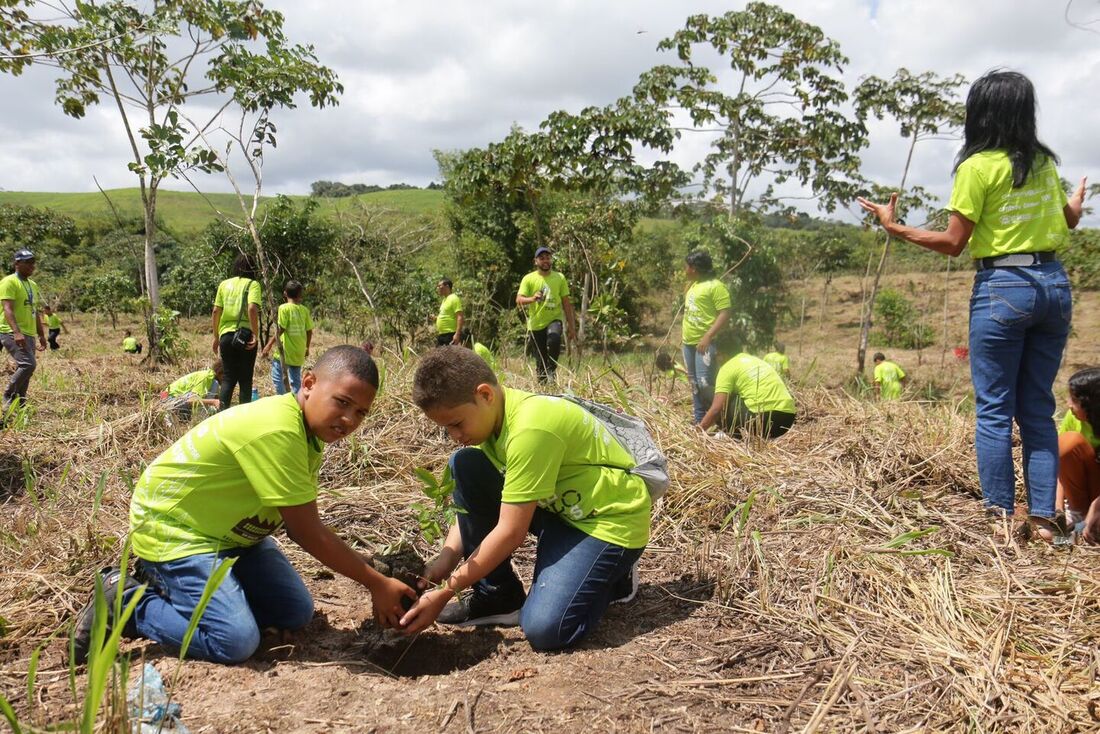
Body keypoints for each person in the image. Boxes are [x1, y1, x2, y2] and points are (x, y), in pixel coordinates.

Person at [71, 346, 416, 665]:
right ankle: (128, 604)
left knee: (295, 612)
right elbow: (305, 532)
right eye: (341, 402)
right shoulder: (278, 431)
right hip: (175, 529)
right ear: (308, 382)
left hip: (233, 534)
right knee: (235, 641)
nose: (349, 420)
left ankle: (196, 592)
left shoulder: (308, 431)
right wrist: (375, 582)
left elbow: (306, 519)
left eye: (360, 412)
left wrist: (368, 567)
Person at [858, 70, 1086, 538]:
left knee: (995, 409)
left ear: (980, 113)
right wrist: (1077, 208)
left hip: (1003, 285)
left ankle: (1000, 517)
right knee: (1038, 409)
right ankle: (1044, 520)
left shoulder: (977, 167)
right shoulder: (1043, 164)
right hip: (1053, 285)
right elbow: (1066, 220)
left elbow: (953, 242)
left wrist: (894, 227)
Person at [400, 347, 650, 651]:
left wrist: (446, 591)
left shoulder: (530, 428)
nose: (454, 434)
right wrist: (447, 557)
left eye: (456, 423)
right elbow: (473, 501)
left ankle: (614, 574)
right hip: (561, 510)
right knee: (465, 464)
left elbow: (510, 531)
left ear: (485, 395)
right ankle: (497, 597)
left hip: (605, 523)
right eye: (446, 428)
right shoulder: (492, 419)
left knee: (546, 630)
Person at [681, 250, 731, 424]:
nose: (684, 270)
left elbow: (725, 313)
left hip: (705, 344)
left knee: (705, 383)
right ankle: (699, 421)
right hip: (688, 343)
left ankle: (717, 421)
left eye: (686, 267)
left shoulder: (716, 286)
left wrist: (708, 336)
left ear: (694, 268)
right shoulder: (693, 285)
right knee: (694, 385)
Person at [698, 351, 796, 439]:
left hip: (762, 421)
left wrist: (698, 431)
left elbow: (716, 408)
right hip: (787, 420)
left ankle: (731, 434)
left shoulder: (727, 367)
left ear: (721, 354)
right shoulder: (756, 360)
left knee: (707, 392)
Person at [516, 247, 576, 382]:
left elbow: (566, 303)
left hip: (554, 319)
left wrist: (572, 327)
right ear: (535, 261)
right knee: (540, 363)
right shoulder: (529, 279)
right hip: (536, 324)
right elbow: (519, 300)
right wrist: (532, 298)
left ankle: (552, 369)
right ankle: (545, 385)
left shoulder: (559, 278)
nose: (545, 261)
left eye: (548, 258)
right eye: (541, 258)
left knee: (554, 339)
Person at [212, 254, 261, 410]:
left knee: (228, 378)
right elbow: (252, 308)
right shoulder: (253, 285)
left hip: (226, 336)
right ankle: (244, 416)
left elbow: (215, 311)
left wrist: (216, 336)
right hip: (245, 336)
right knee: (245, 380)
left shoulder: (224, 285)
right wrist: (255, 334)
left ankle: (222, 413)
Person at [1056, 368, 1100, 542]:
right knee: (1068, 441)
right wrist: (1057, 510)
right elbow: (1060, 468)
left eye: (1074, 400)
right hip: (1083, 494)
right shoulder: (1072, 418)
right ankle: (1077, 514)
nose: (1068, 404)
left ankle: (1087, 524)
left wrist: (1096, 510)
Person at [0, 248, 46, 414]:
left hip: (29, 333)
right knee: (28, 364)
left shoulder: (32, 285)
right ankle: (8, 394)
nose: (32, 266)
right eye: (27, 263)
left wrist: (41, 334)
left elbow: (35, 312)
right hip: (11, 331)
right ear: (17, 264)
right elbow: (8, 309)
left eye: (33, 263)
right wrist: (16, 332)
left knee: (27, 370)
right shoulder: (9, 282)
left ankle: (20, 403)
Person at [262, 280, 313, 396]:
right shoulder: (305, 310)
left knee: (276, 377)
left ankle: (284, 399)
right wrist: (307, 348)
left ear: (285, 293)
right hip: (299, 350)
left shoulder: (284, 308)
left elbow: (281, 329)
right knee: (296, 381)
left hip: (285, 351)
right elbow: (309, 331)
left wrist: (269, 345)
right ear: (300, 295)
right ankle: (296, 403)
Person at [435, 278, 464, 347]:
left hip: (450, 334)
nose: (438, 288)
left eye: (440, 286)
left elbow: (460, 317)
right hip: (442, 334)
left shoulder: (454, 298)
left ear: (447, 286)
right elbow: (447, 315)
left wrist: (457, 334)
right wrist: (436, 318)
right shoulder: (444, 300)